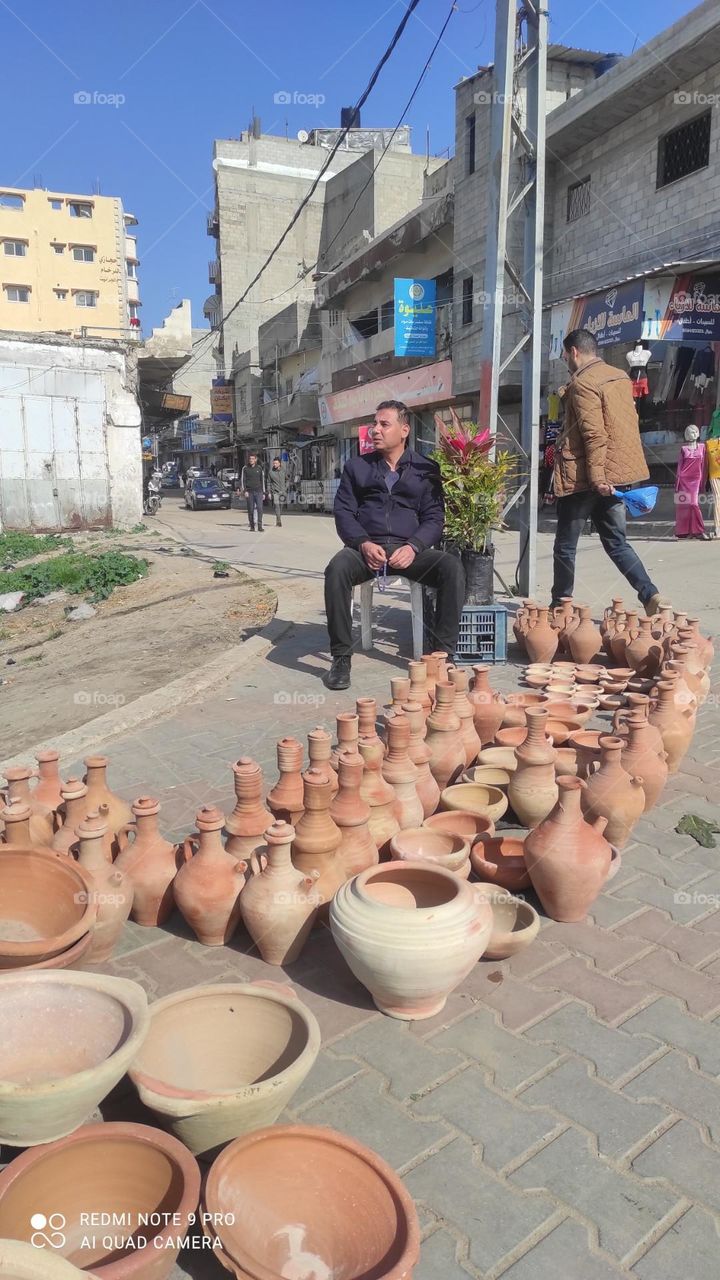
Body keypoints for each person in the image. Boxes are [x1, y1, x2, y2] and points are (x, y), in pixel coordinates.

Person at [323, 400, 466, 691]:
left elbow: (434, 518)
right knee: (337, 568)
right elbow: (344, 513)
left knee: (451, 567)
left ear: (404, 430)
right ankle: (340, 659)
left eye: (383, 424)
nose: (374, 430)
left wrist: (414, 546)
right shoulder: (356, 468)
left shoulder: (426, 469)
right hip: (366, 551)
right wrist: (362, 543)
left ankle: (443, 657)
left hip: (408, 552)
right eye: (374, 424)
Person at [551, 329, 663, 616]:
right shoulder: (620, 376)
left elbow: (595, 435)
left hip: (586, 479)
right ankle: (650, 594)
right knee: (617, 542)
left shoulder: (583, 383)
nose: (566, 360)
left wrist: (598, 478)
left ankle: (559, 607)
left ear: (574, 352)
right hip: (616, 476)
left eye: (566, 355)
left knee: (565, 546)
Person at [241, 452, 265, 531]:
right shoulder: (245, 468)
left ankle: (260, 526)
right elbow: (243, 480)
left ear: (256, 460)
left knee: (260, 508)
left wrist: (264, 492)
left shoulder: (259, 468)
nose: (251, 460)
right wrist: (245, 491)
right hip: (249, 492)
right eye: (250, 459)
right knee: (250, 509)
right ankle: (252, 526)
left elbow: (262, 481)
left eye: (252, 459)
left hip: (258, 491)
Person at [268, 457, 287, 527]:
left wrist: (286, 487)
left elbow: (287, 479)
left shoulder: (284, 471)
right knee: (277, 506)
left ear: (279, 463)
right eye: (274, 463)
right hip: (275, 492)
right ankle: (278, 521)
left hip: (283, 492)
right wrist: (269, 492)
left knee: (281, 506)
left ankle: (279, 516)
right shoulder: (271, 472)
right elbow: (268, 482)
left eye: (276, 463)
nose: (274, 464)